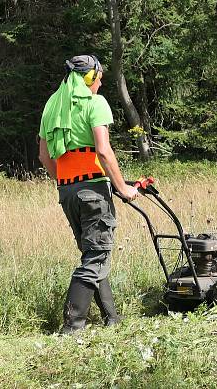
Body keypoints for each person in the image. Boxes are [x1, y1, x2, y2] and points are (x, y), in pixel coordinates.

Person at [38, 54, 139, 334]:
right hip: (93, 191)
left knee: (92, 254)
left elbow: (44, 156)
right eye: (99, 75)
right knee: (96, 255)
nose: (102, 81)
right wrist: (123, 188)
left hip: (68, 191)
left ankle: (112, 318)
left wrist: (67, 181)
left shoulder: (52, 106)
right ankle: (73, 326)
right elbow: (104, 152)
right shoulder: (96, 103)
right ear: (90, 77)